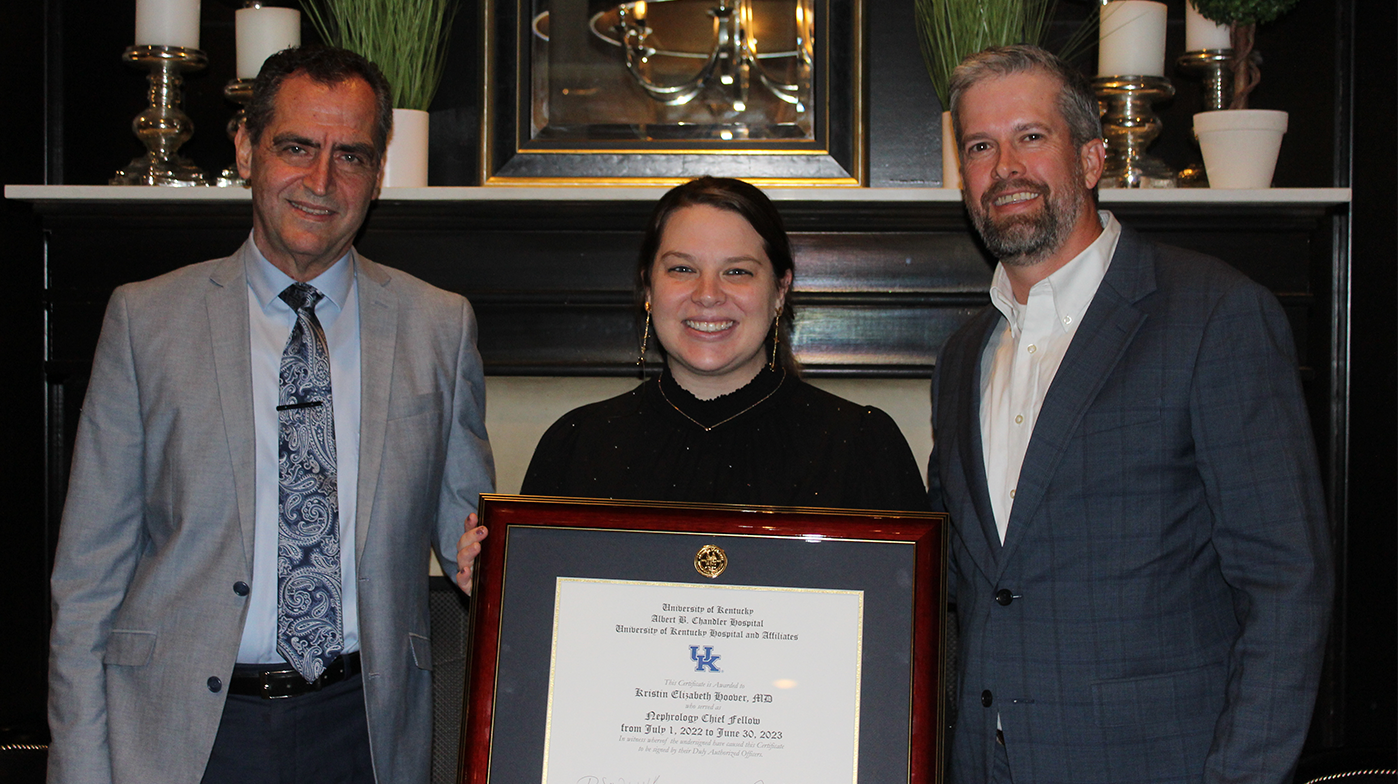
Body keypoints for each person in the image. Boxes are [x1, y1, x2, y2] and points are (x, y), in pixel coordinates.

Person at [46, 46, 494, 784]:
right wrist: (82, 768)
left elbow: (465, 529)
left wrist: (498, 560)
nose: (322, 181)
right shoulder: (146, 320)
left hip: (364, 729)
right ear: (247, 151)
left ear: (378, 174)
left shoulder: (438, 326)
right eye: (296, 147)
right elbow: (87, 578)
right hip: (177, 735)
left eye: (350, 155)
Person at [927, 45, 1333, 784]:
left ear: (1090, 159)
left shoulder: (1215, 315)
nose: (1004, 166)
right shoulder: (963, 357)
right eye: (980, 146)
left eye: (1031, 136)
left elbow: (1286, 583)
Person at [521, 176, 928, 511]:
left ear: (780, 290)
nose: (708, 294)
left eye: (736, 271)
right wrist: (500, 582)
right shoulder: (575, 446)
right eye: (682, 268)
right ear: (649, 286)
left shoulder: (861, 446)